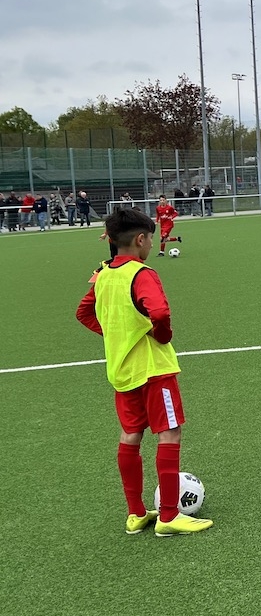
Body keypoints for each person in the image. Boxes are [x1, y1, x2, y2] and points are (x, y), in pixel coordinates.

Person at [74, 207, 213, 537]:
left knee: (131, 436)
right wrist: (160, 335)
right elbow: (160, 313)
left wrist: (117, 334)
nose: (151, 244)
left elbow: (83, 313)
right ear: (140, 239)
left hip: (121, 372)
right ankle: (169, 516)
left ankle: (135, 514)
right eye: (150, 238)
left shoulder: (103, 273)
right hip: (153, 370)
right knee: (170, 433)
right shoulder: (141, 273)